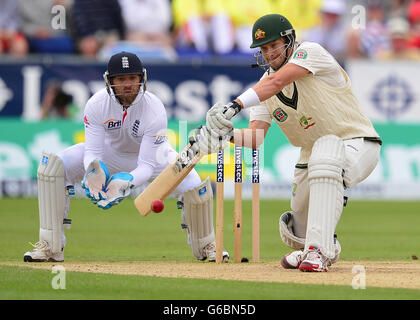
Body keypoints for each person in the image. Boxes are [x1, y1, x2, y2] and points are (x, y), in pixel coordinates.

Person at [189, 14, 382, 272]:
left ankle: (317, 252)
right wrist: (227, 135)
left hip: (357, 142)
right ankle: (321, 245)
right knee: (297, 228)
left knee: (327, 156)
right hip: (310, 159)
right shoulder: (263, 88)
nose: (269, 53)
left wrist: (234, 105)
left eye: (274, 45)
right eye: (264, 49)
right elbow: (255, 137)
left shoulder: (310, 52)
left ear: (289, 40)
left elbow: (278, 81)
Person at [23, 51, 229, 263]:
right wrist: (93, 170)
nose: (128, 84)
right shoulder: (96, 104)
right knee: (53, 166)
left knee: (194, 184)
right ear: (110, 81)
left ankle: (207, 246)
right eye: (121, 79)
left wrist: (126, 183)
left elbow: (147, 166)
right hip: (109, 154)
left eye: (132, 78)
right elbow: (92, 152)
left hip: (154, 157)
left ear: (142, 78)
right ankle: (50, 246)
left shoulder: (154, 107)